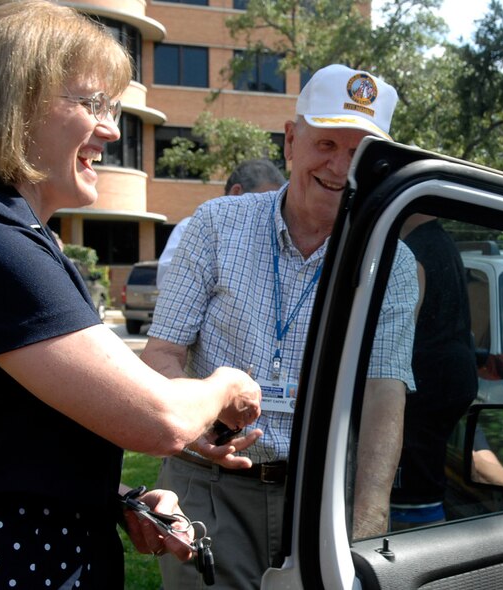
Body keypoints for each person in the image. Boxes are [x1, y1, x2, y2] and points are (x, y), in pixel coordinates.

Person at [0, 2, 260, 588]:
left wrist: (117, 496)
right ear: (10, 106)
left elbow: (3, 440)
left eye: (112, 108)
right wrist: (228, 386)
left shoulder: (0, 234)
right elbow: (160, 419)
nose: (113, 129)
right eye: (92, 104)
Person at [141, 63, 418, 588]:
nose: (340, 167)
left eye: (360, 153)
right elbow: (162, 355)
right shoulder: (215, 225)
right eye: (327, 144)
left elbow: (385, 395)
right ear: (292, 141)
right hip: (209, 485)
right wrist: (195, 432)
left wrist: (366, 526)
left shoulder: (392, 261)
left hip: (319, 497)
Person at [389, 215, 478, 530]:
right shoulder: (440, 242)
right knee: (426, 484)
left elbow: (395, 341)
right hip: (445, 381)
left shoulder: (414, 252)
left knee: (410, 497)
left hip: (422, 391)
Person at [156, 158, 286, 290]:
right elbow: (170, 285)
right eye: (263, 202)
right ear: (236, 193)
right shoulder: (192, 228)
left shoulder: (271, 239)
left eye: (275, 204)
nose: (270, 212)